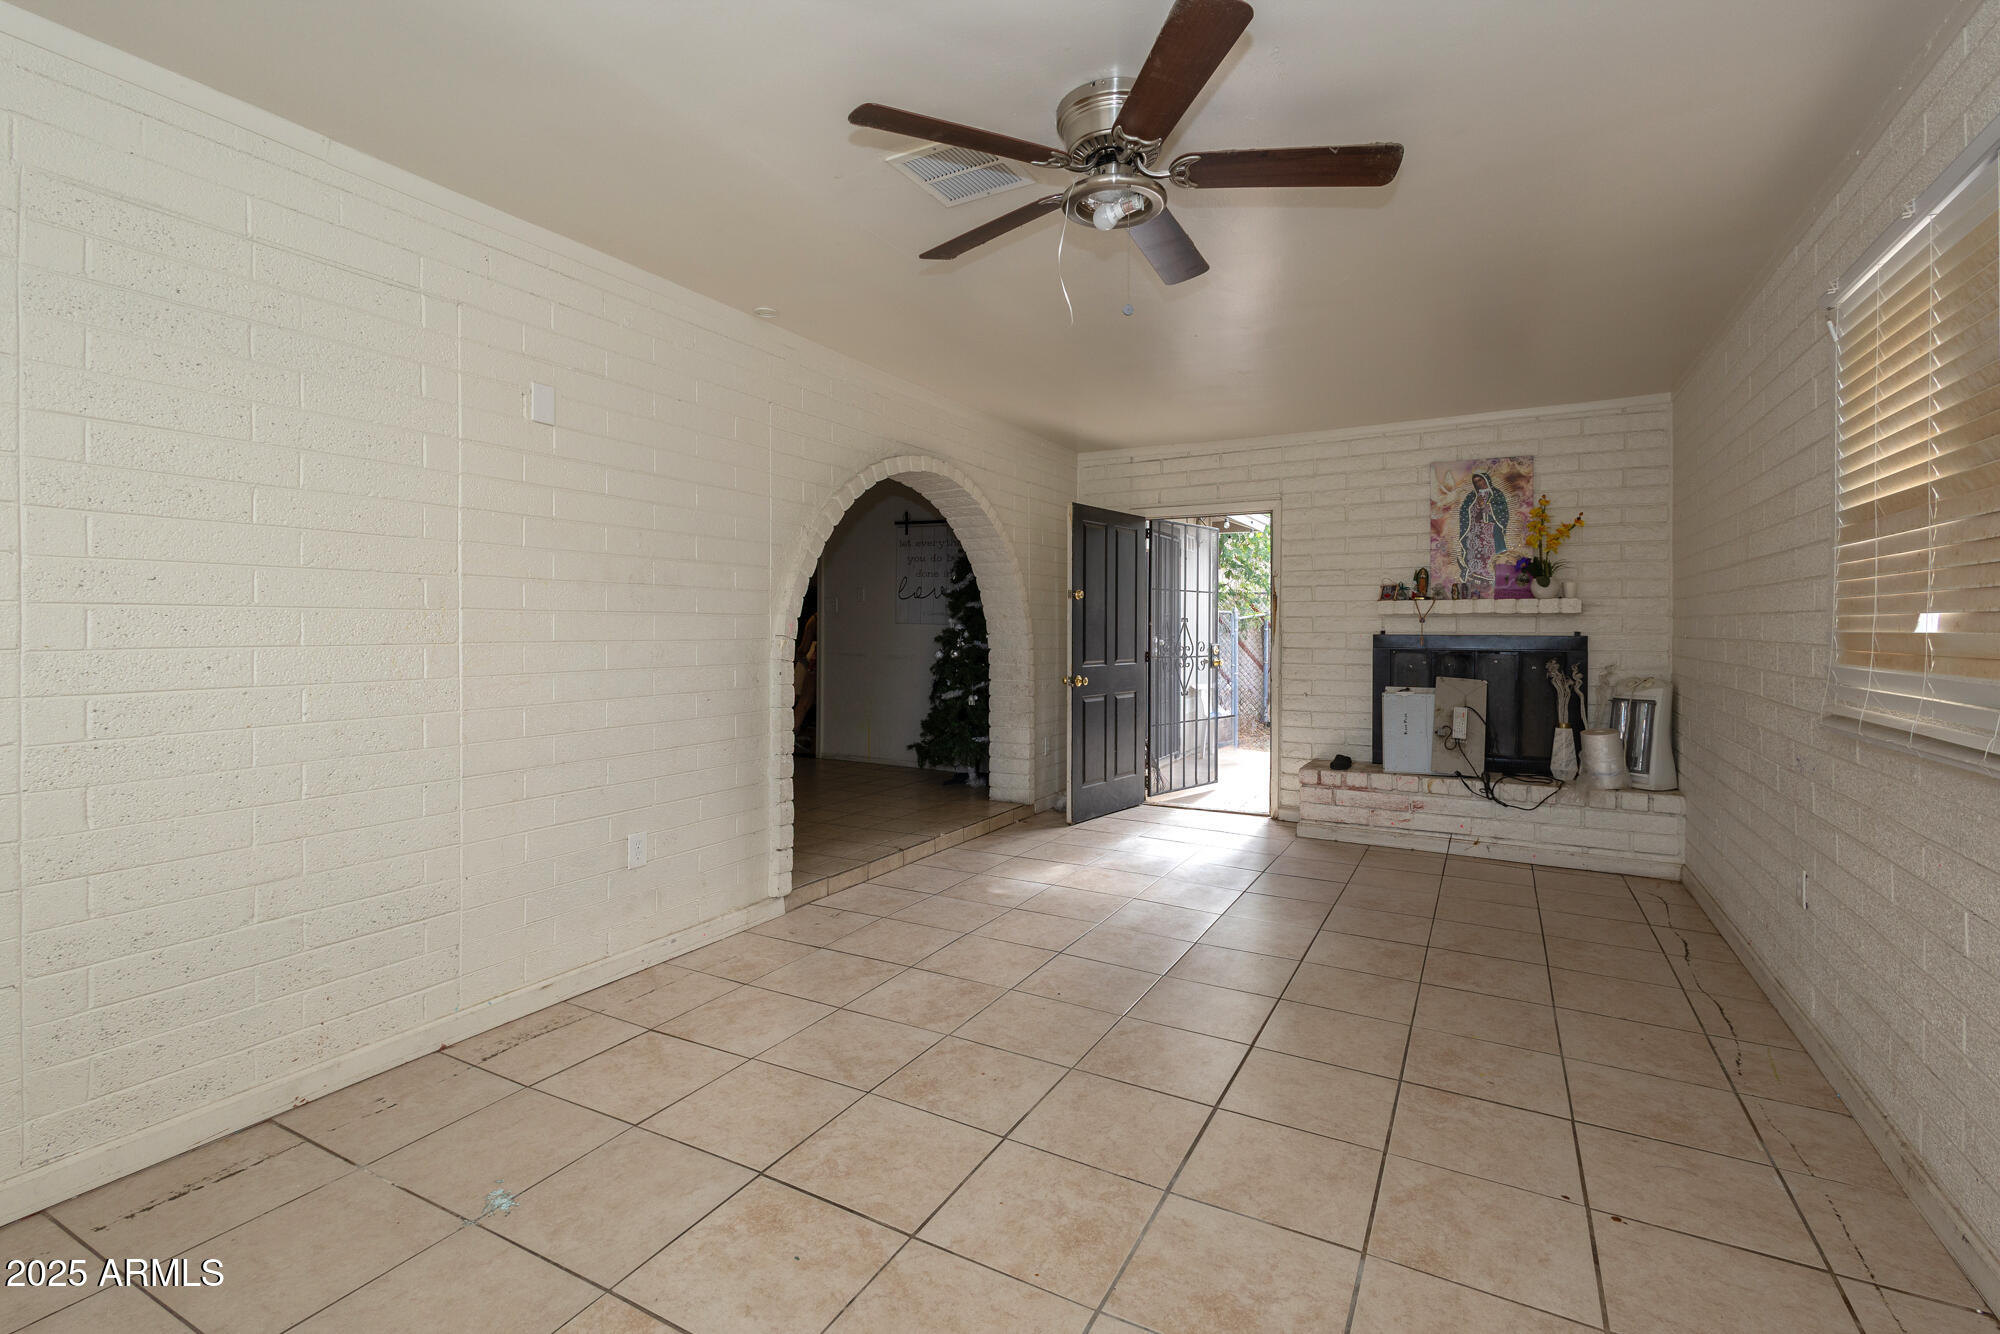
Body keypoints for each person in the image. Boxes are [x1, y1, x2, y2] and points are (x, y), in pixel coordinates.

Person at [1456, 472, 1510, 592]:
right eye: (1476, 482)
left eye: (1480, 480)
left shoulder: (1496, 494)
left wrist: (1486, 506)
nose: (1478, 483)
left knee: (1489, 553)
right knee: (1475, 552)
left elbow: (1502, 513)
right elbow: (1465, 511)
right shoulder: (1471, 496)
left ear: (1486, 479)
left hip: (1491, 530)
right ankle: (1475, 574)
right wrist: (1476, 507)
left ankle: (1490, 575)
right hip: (1475, 529)